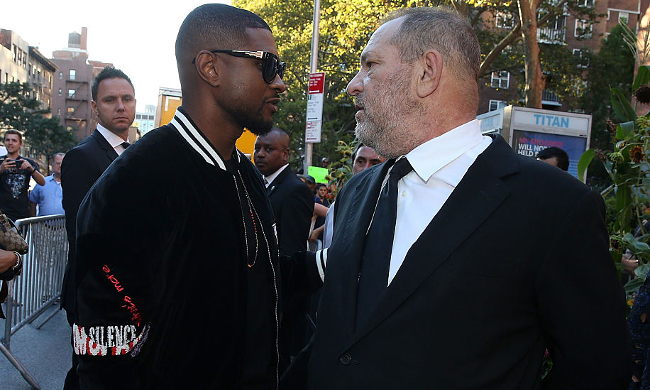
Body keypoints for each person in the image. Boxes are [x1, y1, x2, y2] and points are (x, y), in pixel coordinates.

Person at [281, 7, 630, 389]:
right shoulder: (357, 191)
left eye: (370, 65)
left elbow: (597, 369)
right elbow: (340, 339)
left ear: (427, 72)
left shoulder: (556, 206)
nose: (352, 84)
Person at [72, 4, 319, 390]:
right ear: (210, 68)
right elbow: (104, 357)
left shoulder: (247, 175)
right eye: (268, 65)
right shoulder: (135, 183)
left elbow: (252, 280)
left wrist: (324, 265)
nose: (280, 82)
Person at [60, 66, 136, 390]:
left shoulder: (137, 154)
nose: (121, 106)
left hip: (130, 295)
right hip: (96, 297)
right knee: (90, 377)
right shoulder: (81, 158)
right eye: (110, 100)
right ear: (94, 107)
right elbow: (83, 241)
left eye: (127, 98)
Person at [254, 127, 314, 374]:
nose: (259, 154)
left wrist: (280, 305)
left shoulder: (294, 190)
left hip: (279, 304)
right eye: (257, 148)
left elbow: (290, 253)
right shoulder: (260, 184)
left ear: (286, 155)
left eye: (268, 149)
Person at [321, 143, 386, 248]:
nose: (365, 169)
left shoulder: (395, 209)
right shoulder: (337, 208)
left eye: (374, 164)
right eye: (360, 162)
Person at [0, 129, 45, 222]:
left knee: (20, 237)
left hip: (21, 214)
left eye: (14, 140)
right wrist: (1, 169)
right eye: (7, 140)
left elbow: (42, 182)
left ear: (20, 144)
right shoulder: (1, 162)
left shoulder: (27, 162)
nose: (10, 143)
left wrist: (31, 170)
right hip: (2, 215)